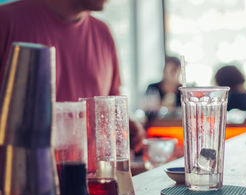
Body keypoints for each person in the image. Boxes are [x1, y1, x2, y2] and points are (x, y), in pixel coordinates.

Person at [0, 0, 145, 152]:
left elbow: (111, 103)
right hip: (18, 173)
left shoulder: (103, 33)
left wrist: (126, 123)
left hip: (91, 174)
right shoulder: (6, 21)